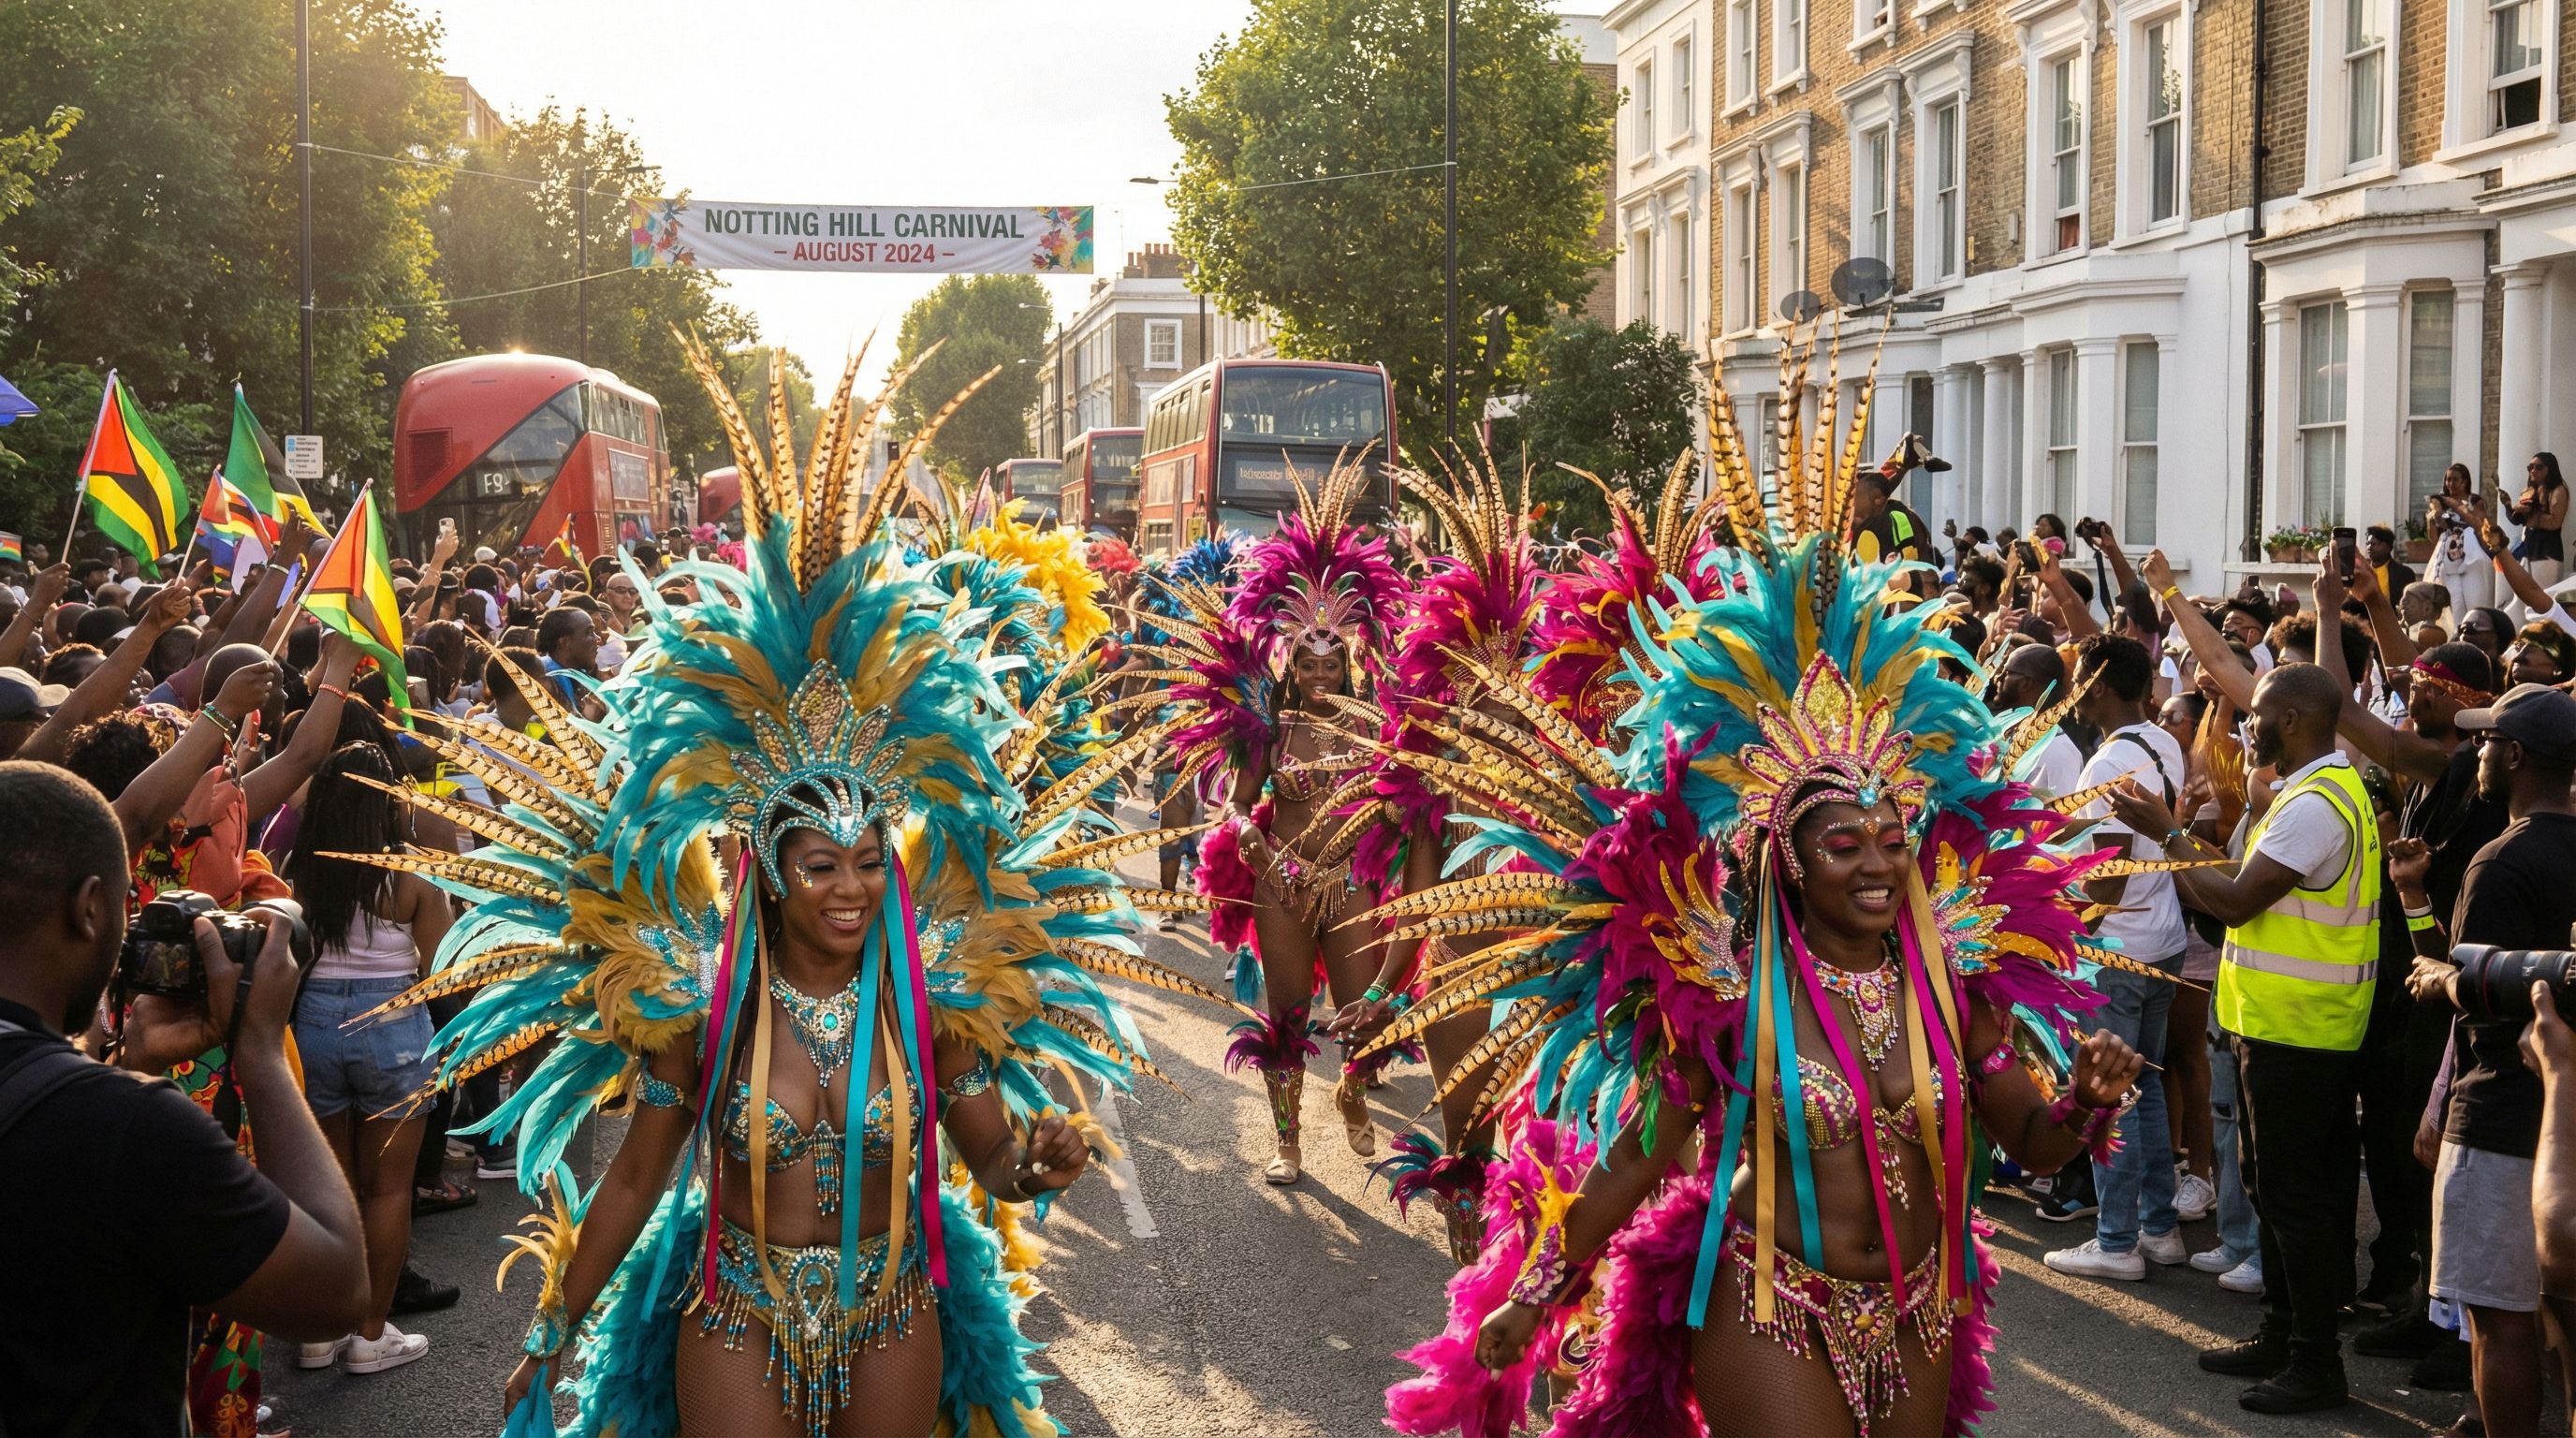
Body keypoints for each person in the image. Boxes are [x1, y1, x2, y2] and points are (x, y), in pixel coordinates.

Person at [363, 351, 1180, 1438]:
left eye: (866, 860)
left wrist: (1042, 1159)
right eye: (820, 866)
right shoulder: (701, 1008)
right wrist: (550, 1329)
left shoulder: (930, 997)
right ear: (768, 876)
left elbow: (992, 1163)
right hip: (737, 1307)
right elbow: (637, 1179)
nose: (850, 887)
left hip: (894, 1306)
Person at [1383, 413, 2142, 1438]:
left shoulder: (1949, 989)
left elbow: (2032, 1146)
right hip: (1765, 1302)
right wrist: (1536, 1289)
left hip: (1923, 1309)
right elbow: (1637, 1160)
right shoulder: (1733, 1000)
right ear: (1784, 856)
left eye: (1889, 837)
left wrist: (2087, 1105)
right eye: (1845, 845)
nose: (1878, 861)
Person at [0, 761, 369, 1436]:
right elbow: (337, 1291)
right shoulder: (127, 1129)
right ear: (89, 910)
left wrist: (124, 1062)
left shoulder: (101, 1109)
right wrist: (258, 1051)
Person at [2108, 635, 2383, 1413]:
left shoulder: (2315, 805)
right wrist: (2175, 841)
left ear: (2293, 718)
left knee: (2298, 1197)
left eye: (2257, 714)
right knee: (2274, 1187)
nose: (2245, 726)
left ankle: (2315, 1362)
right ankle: (2283, 1329)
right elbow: (2229, 882)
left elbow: (2230, 901)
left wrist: (2165, 835)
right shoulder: (2311, 792)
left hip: (2303, 1033)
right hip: (2286, 1027)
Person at [1173, 463, 1406, 1182]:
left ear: (1351, 660)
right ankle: (1288, 1141)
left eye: (1334, 658)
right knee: (1287, 1015)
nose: (1322, 670)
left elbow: (1399, 803)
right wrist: (1248, 837)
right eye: (1309, 658)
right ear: (1291, 661)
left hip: (1351, 883)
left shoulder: (1376, 727)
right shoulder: (1269, 729)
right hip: (1280, 878)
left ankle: (1355, 1091)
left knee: (1365, 1010)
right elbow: (1239, 801)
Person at [2392, 683, 2576, 1438]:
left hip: (2501, 1115)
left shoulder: (2500, 862)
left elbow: (2473, 1001)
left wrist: (2439, 1107)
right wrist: (2416, 908)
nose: (2477, 753)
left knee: (2501, 1321)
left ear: (2516, 756)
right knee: (2561, 1323)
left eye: (2489, 742)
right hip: (2564, 1114)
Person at [282, 741, 458, 1375]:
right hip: (395, 1028)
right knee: (388, 1192)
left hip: (314, 1026)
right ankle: (368, 1335)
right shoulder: (410, 870)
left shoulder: (300, 867)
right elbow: (442, 971)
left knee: (326, 1187)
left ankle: (316, 1333)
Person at [2044, 634, 2192, 1284]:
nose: (2075, 692)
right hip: (2162, 938)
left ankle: (2116, 1240)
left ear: (2099, 686)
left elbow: (2103, 877)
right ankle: (2159, 1231)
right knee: (2149, 1086)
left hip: (2118, 950)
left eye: (2080, 679)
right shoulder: (2163, 742)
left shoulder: (2104, 764)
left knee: (2112, 1096)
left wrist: (2063, 936)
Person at [1987, 639, 2085, 799]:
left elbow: (2061, 817)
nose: (1998, 677)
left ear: (2026, 683)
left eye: (2007, 672)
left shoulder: (2060, 752)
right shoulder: (2005, 734)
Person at [2428, 464, 2496, 613]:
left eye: (2455, 479)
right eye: (2448, 479)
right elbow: (2434, 538)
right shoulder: (2441, 502)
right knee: (2455, 604)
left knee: (2476, 602)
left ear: (2465, 482)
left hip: (2472, 557)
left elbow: (2479, 525)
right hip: (2450, 560)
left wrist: (2457, 506)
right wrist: (2432, 520)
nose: (2450, 483)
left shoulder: (2475, 501)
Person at [2508, 452, 2569, 592]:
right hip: (2529, 548)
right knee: (2523, 596)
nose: (2533, 471)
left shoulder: (2558, 490)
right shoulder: (2530, 491)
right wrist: (2508, 506)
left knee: (2543, 597)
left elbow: (2555, 522)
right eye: (2530, 467)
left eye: (2539, 467)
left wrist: (2530, 513)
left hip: (2547, 551)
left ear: (2550, 469)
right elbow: (2518, 520)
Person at [2365, 524, 2418, 600]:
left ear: (2388, 547)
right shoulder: (2362, 573)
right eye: (2367, 543)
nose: (2369, 547)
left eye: (2374, 544)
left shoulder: (2404, 574)